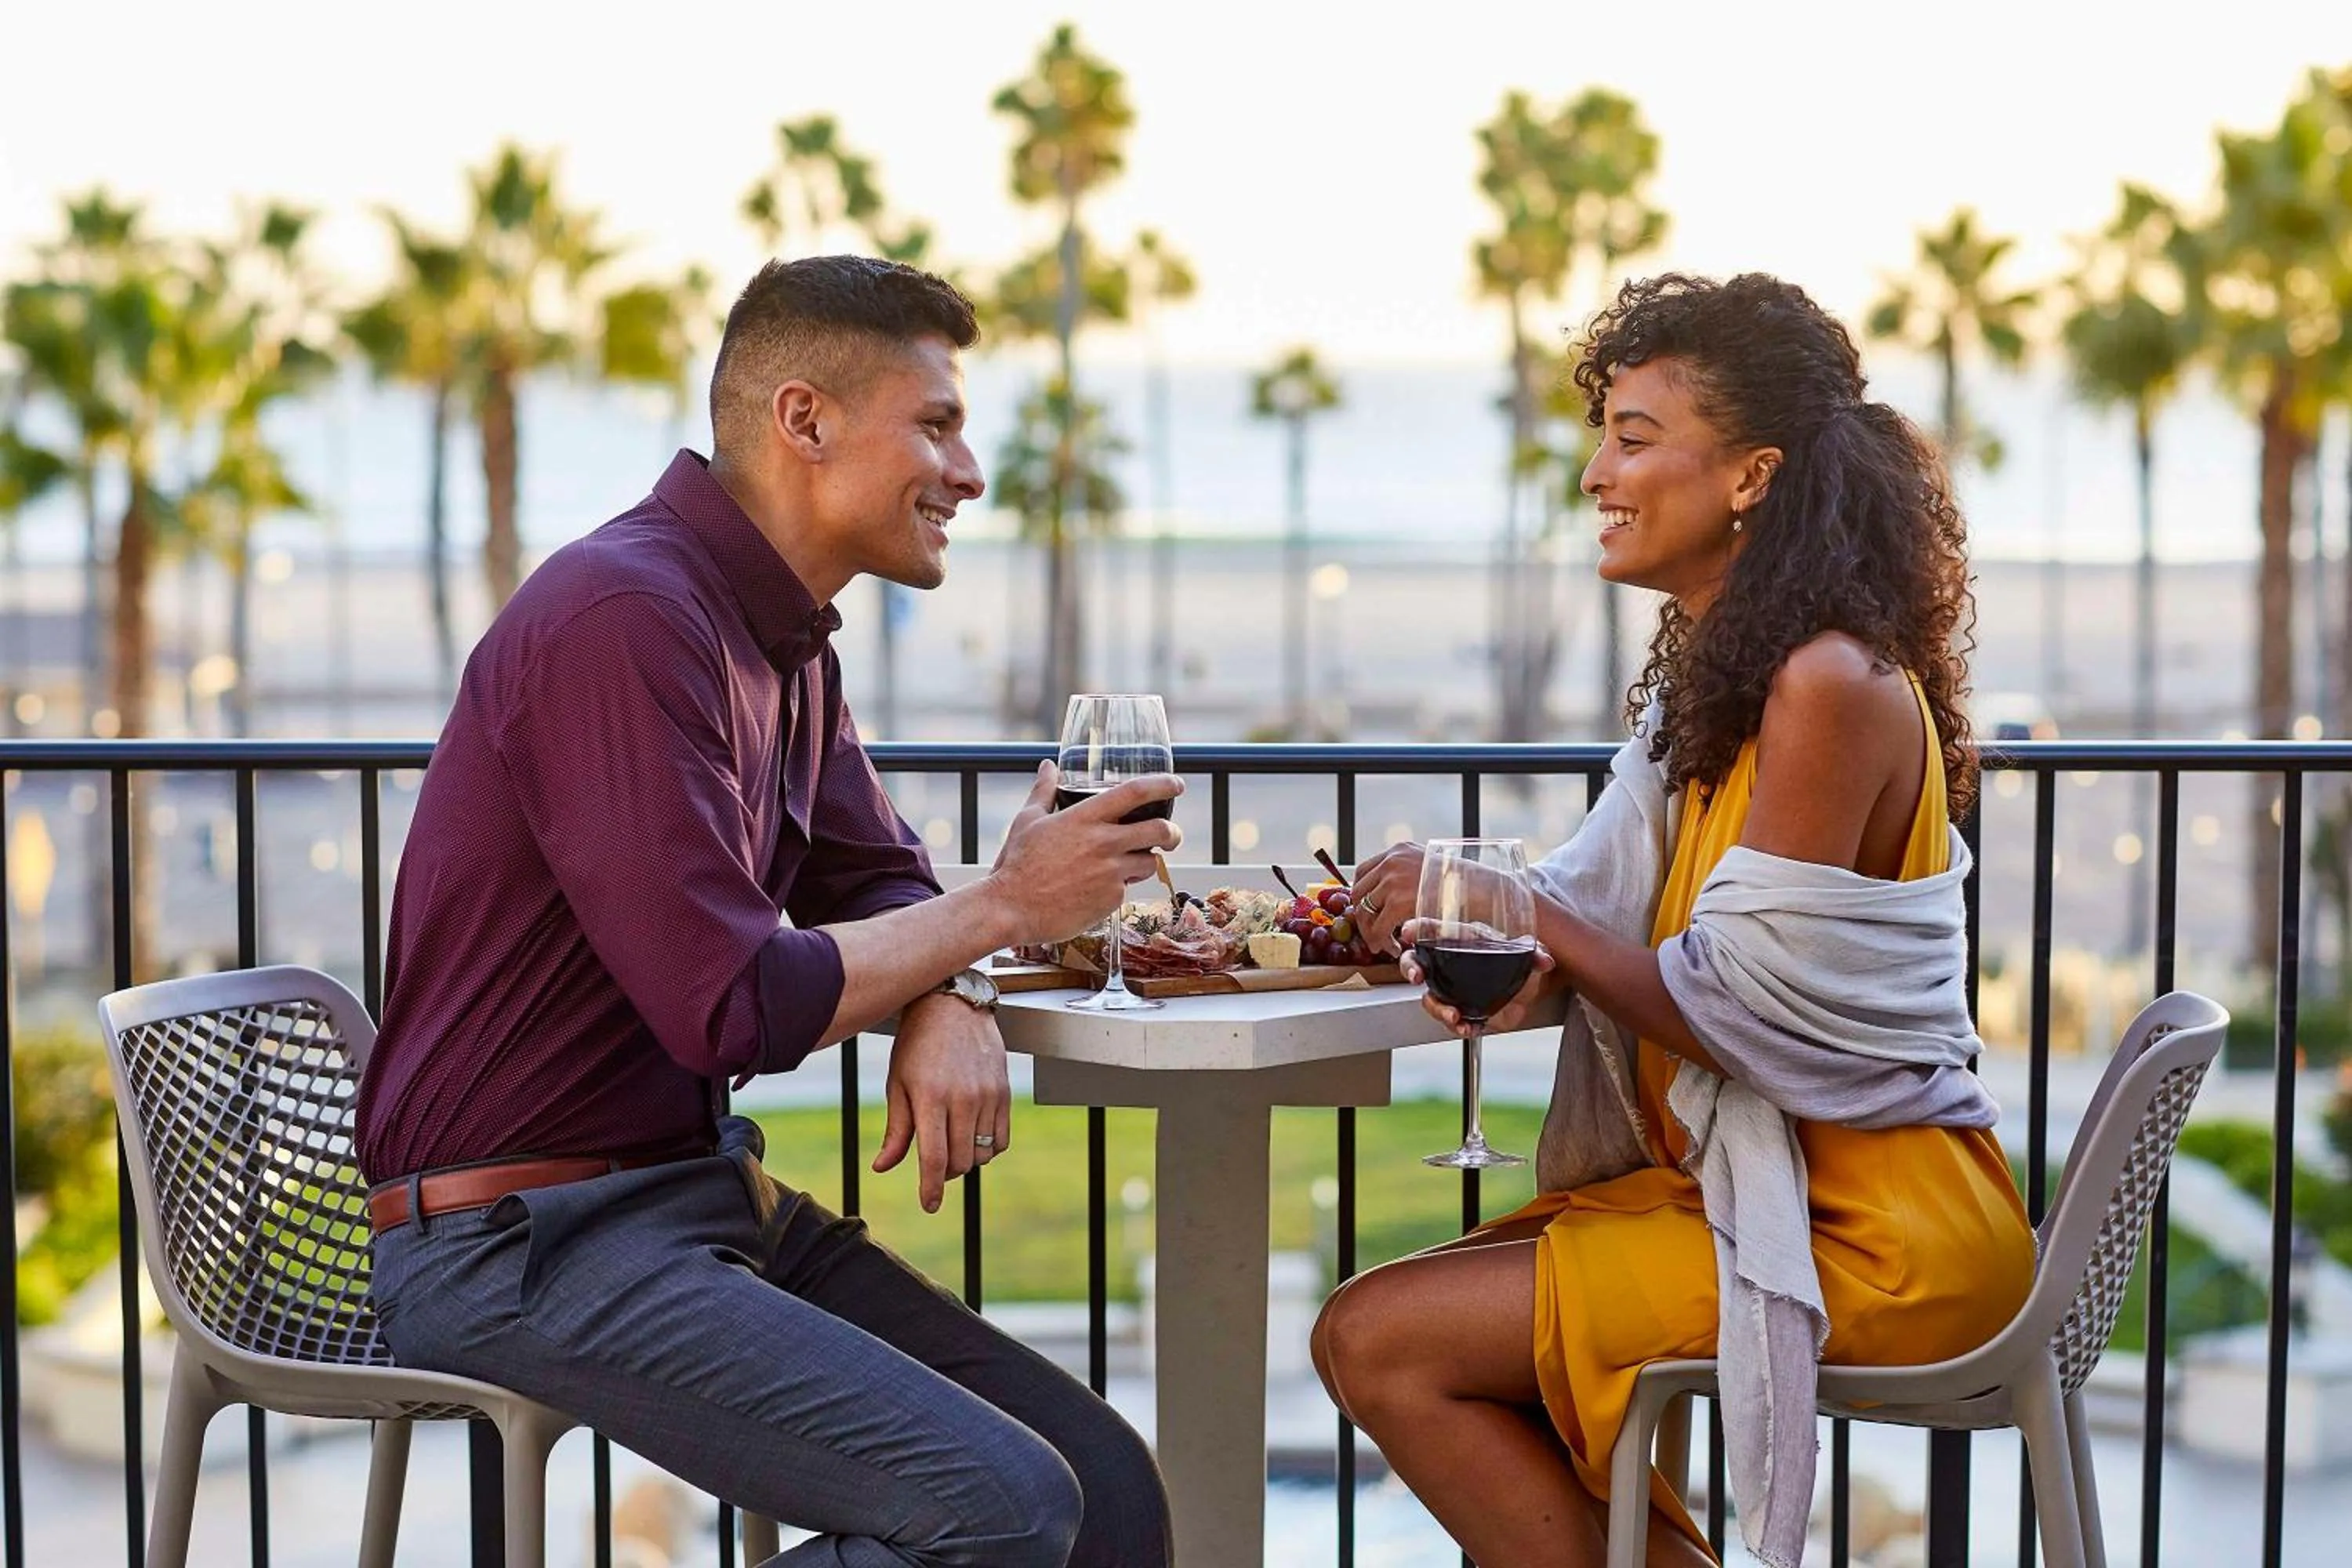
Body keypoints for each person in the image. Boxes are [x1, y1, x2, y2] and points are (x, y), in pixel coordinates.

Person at [354, 255, 1179, 1568]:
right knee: (1001, 1510)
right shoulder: (625, 619)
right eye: (938, 425)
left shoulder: (784, 640)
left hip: (689, 1201)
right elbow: (729, 1004)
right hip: (513, 1242)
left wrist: (955, 990)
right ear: (806, 421)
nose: (969, 474)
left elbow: (878, 876)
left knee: (1103, 1484)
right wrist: (1001, 909)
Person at [1318, 273, 2034, 1568]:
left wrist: (1522, 915)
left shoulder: (1826, 683)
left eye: (1634, 439)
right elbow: (1599, 922)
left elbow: (1736, 1011)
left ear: (1752, 477)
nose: (1596, 473)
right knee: (1388, 1331)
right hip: (1771, 1196)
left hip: (1879, 1234)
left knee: (1380, 1341)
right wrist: (1496, 933)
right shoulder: (1721, 686)